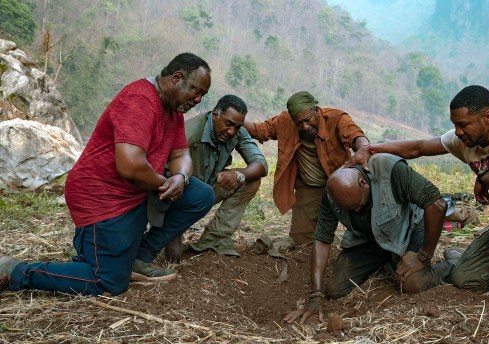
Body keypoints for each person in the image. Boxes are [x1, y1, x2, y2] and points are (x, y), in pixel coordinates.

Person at [350, 85, 489, 315]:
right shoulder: (464, 141)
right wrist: (371, 149)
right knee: (464, 278)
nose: (458, 131)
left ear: (487, 117)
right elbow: (417, 148)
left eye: (463, 124)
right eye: (455, 125)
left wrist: (484, 177)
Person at [0, 53, 214, 296]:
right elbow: (131, 167)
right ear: (177, 78)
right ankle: (15, 271)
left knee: (200, 195)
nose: (198, 99)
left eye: (202, 96)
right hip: (101, 196)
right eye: (196, 91)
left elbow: (180, 155)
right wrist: (165, 182)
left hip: (136, 193)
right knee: (107, 282)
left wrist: (181, 178)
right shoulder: (140, 100)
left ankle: (139, 258)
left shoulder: (173, 111)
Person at [285, 154, 455, 324]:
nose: (357, 211)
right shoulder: (332, 193)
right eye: (351, 210)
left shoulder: (390, 170)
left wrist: (423, 256)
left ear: (364, 183)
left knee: (412, 285)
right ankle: (389, 261)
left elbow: (437, 205)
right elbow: (322, 239)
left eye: (358, 206)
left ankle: (451, 265)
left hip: (411, 230)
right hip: (370, 238)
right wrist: (315, 297)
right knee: (335, 290)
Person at [243, 91, 370, 246]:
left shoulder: (336, 118)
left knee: (363, 231)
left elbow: (355, 135)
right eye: (299, 123)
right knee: (300, 241)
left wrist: (363, 148)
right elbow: (260, 130)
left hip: (341, 184)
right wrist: (236, 120)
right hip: (309, 187)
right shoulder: (285, 121)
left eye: (307, 120)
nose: (304, 127)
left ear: (316, 111)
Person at [163, 95, 268, 261]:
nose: (232, 131)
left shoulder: (237, 132)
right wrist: (173, 232)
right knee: (172, 253)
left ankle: (213, 239)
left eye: (237, 126)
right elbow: (163, 180)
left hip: (206, 190)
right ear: (215, 115)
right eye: (228, 124)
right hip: (180, 196)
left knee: (250, 180)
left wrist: (238, 175)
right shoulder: (189, 134)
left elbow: (261, 164)